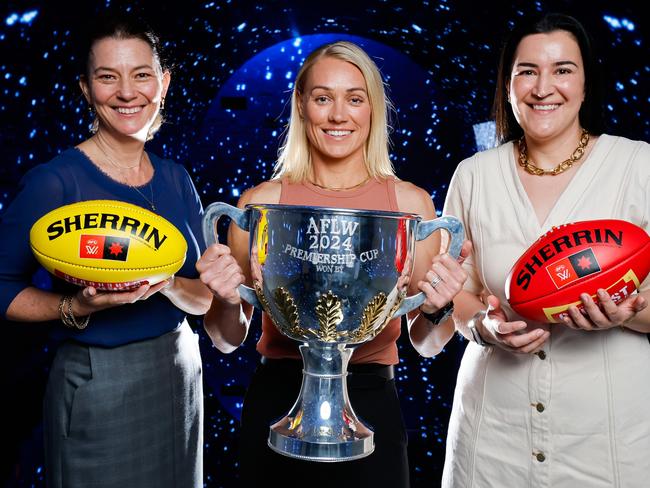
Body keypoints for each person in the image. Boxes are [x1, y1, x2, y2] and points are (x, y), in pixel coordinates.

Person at [197, 41, 471, 487]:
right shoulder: (262, 203)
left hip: (371, 400)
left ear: (372, 110)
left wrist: (440, 306)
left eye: (355, 99)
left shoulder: (409, 203)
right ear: (302, 107)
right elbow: (227, 340)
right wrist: (225, 299)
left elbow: (428, 343)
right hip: (277, 398)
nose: (338, 115)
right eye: (323, 98)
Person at [0, 13, 212, 488]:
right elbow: (0, 287)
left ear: (164, 82)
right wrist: (73, 307)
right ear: (85, 89)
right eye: (106, 76)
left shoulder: (177, 177)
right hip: (100, 382)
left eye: (141, 74)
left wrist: (173, 284)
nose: (126, 92)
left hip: (181, 376)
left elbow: (203, 298)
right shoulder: (54, 181)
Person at [441, 13, 650, 488]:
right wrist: (482, 326)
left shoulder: (639, 165)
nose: (543, 87)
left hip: (610, 444)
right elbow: (454, 292)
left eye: (562, 69)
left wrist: (628, 315)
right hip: (492, 441)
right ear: (509, 84)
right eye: (527, 71)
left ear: (585, 82)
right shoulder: (474, 175)